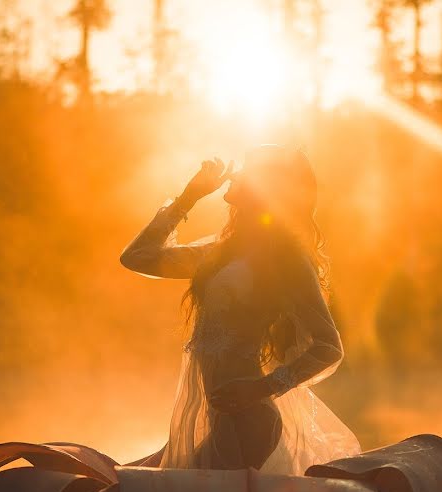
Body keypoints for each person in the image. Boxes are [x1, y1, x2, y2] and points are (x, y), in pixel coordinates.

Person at [120, 145, 360, 473]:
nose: (236, 172)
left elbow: (328, 347)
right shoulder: (222, 253)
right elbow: (137, 257)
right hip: (219, 420)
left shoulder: (286, 259)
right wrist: (189, 197)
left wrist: (261, 388)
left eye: (249, 169)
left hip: (250, 423)